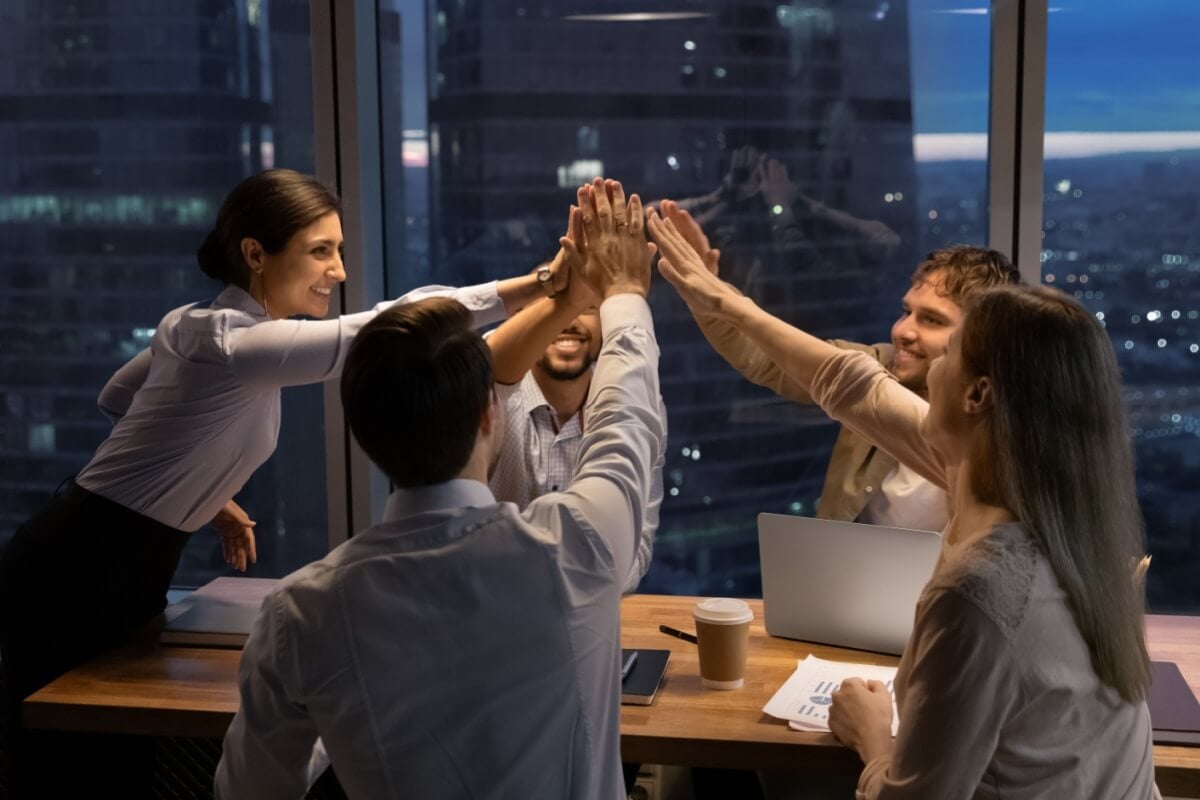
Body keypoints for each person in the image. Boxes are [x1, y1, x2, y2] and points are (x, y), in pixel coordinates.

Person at [0, 168, 556, 795]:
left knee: (112, 766)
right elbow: (389, 325)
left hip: (119, 560)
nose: (339, 270)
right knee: (63, 771)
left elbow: (118, 397)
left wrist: (206, 494)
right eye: (322, 250)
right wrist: (544, 284)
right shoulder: (232, 343)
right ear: (255, 254)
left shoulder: (195, 330)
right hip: (74, 566)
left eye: (338, 249)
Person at [648, 208, 1157, 798]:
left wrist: (873, 737)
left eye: (951, 343)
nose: (902, 350)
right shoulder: (1058, 513)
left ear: (978, 394)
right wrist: (717, 295)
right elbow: (848, 383)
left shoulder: (980, 591)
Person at [213, 178, 663, 799]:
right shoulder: (577, 546)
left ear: (364, 437)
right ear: (490, 414)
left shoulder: (301, 616)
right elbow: (627, 416)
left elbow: (248, 793)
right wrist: (625, 293)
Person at [660, 199, 1019, 533]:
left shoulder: (1012, 437)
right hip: (850, 589)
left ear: (981, 339)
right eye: (906, 312)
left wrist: (719, 298)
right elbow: (763, 355)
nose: (903, 331)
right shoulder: (882, 364)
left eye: (932, 320)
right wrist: (701, 290)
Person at [486, 202, 666, 593]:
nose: (570, 320)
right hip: (498, 614)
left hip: (591, 623)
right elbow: (484, 367)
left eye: (588, 308)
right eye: (554, 309)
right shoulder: (492, 402)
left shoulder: (631, 399)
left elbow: (637, 548)